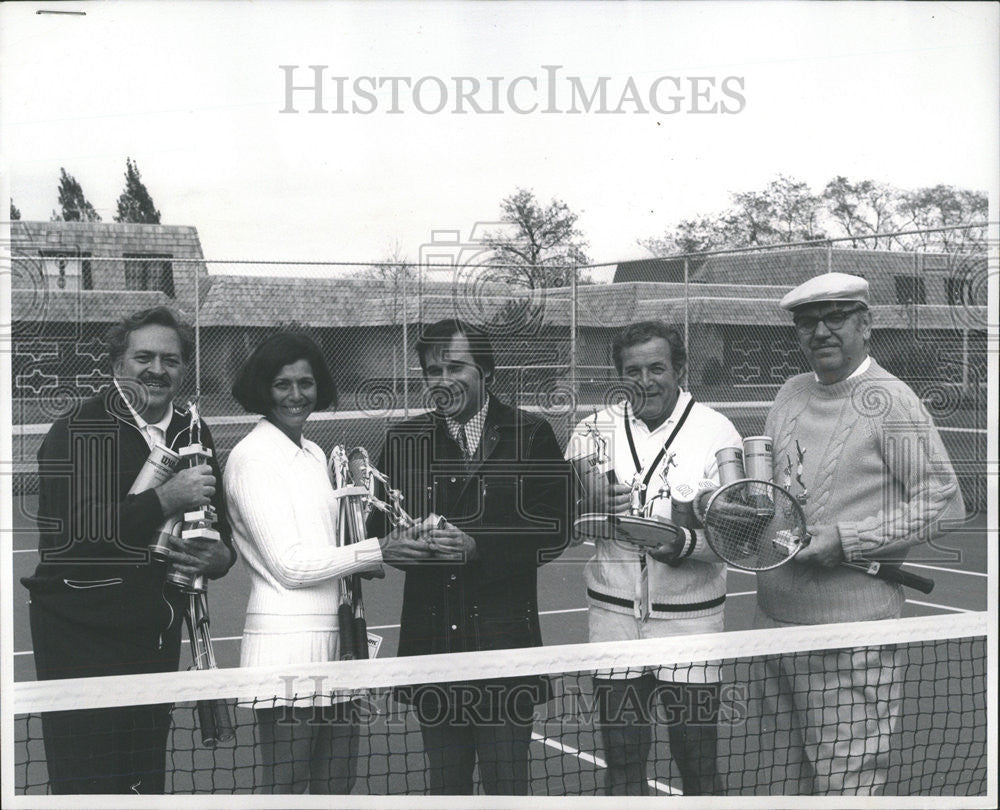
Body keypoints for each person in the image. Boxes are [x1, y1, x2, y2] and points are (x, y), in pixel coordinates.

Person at [756, 272, 965, 794]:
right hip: (773, 624)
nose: (820, 331)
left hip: (852, 639)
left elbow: (944, 502)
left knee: (845, 787)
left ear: (865, 325)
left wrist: (849, 540)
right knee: (782, 787)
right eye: (807, 322)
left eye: (835, 318)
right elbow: (780, 489)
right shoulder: (790, 392)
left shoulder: (890, 400)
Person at [21, 306, 235, 794]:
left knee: (141, 784)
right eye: (144, 357)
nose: (157, 370)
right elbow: (74, 539)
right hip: (80, 637)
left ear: (183, 368)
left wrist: (222, 559)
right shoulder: (78, 429)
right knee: (89, 787)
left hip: (153, 636)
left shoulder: (194, 431)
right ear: (117, 363)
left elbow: (216, 524)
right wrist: (164, 498)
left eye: (171, 360)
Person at [366, 318, 572, 796]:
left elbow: (554, 528)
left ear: (487, 372)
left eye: (455, 367)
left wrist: (479, 546)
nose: (442, 380)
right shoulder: (402, 440)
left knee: (507, 788)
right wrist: (402, 546)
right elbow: (376, 528)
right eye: (432, 370)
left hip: (504, 646)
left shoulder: (531, 433)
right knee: (447, 789)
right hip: (431, 644)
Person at [224, 331, 431, 794]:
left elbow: (335, 545)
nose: (296, 395)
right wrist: (380, 550)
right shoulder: (252, 457)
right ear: (263, 388)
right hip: (284, 647)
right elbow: (290, 566)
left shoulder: (316, 453)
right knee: (288, 788)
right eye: (282, 384)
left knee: (336, 787)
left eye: (306, 382)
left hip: (342, 640)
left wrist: (390, 539)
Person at [564, 320, 742, 796]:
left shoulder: (716, 430)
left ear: (679, 368)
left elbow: (738, 537)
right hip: (613, 620)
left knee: (699, 764)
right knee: (622, 765)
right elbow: (567, 520)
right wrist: (589, 509)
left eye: (657, 367)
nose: (645, 380)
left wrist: (685, 545)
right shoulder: (590, 430)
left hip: (691, 625)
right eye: (633, 370)